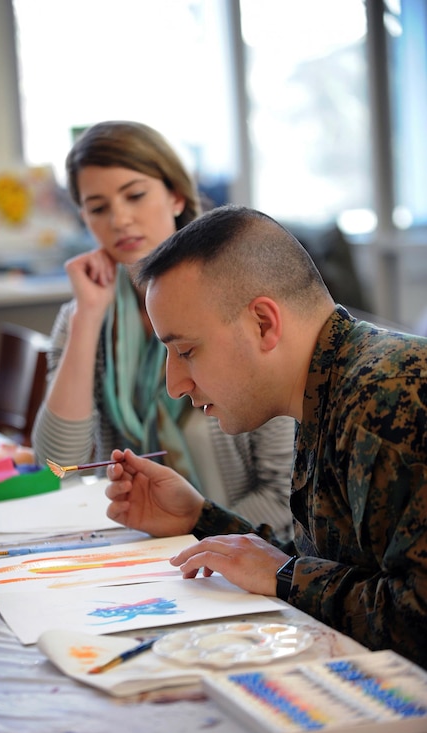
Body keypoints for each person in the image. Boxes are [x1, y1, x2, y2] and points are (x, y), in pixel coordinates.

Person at [105, 204, 427, 670]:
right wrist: (201, 518)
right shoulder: (330, 387)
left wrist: (285, 575)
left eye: (187, 351)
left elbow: (417, 618)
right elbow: (346, 570)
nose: (175, 384)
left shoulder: (388, 397)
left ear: (263, 323)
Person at [32, 122, 295, 538]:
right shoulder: (85, 314)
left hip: (238, 552)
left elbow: (285, 496)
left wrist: (191, 533)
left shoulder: (236, 299)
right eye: (98, 208)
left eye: (135, 195)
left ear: (175, 194)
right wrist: (87, 318)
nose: (120, 219)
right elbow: (55, 464)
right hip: (147, 551)